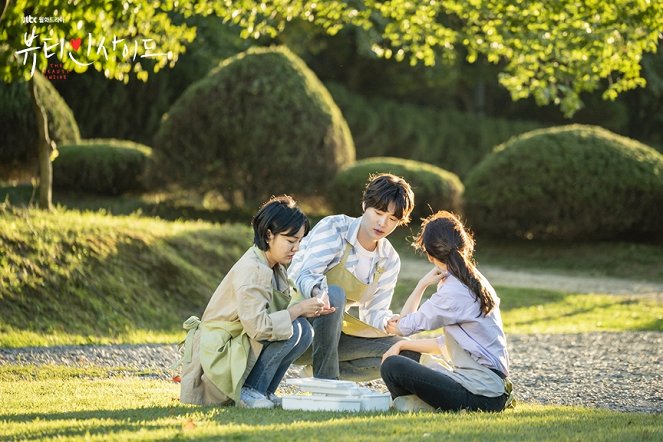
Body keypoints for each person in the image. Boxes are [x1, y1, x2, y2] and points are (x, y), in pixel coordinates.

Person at [178, 195, 332, 409]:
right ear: (269, 235)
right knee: (294, 328)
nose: (296, 248)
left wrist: (305, 310)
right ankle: (250, 390)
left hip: (240, 342)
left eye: (299, 241)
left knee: (304, 331)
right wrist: (297, 309)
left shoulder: (272, 265)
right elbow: (259, 328)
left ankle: (265, 390)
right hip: (221, 352)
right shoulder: (253, 269)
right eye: (290, 241)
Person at [381, 210, 513, 412]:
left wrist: (421, 285)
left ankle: (412, 405)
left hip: (482, 394)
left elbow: (403, 327)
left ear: (429, 253)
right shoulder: (472, 279)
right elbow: (445, 343)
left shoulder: (453, 291)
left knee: (393, 366)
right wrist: (401, 346)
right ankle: (416, 404)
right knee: (405, 352)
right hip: (484, 387)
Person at [288, 173, 416, 381]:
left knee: (405, 352)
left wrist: (387, 321)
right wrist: (319, 293)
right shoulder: (335, 228)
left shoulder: (388, 259)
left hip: (336, 335)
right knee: (335, 294)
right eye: (379, 212)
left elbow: (373, 312)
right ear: (365, 204)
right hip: (298, 329)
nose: (383, 223)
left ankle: (319, 370)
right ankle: (327, 382)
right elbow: (303, 274)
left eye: (392, 219)